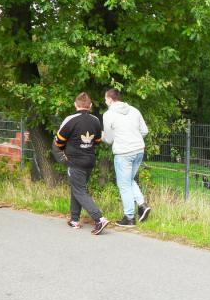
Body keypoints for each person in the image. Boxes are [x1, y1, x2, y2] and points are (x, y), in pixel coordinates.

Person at [55, 92, 109, 235]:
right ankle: (74, 220)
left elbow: (59, 140)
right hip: (89, 160)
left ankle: (99, 219)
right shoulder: (95, 120)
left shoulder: (70, 119)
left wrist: (64, 149)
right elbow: (98, 140)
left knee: (79, 190)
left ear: (75, 105)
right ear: (90, 106)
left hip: (74, 161)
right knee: (78, 188)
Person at [102, 88, 151, 227]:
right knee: (129, 180)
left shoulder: (108, 114)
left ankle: (129, 218)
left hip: (123, 152)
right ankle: (142, 205)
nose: (105, 101)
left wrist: (102, 136)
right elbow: (145, 131)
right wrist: (133, 138)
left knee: (124, 185)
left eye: (105, 99)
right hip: (139, 150)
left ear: (110, 99)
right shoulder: (134, 110)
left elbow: (109, 139)